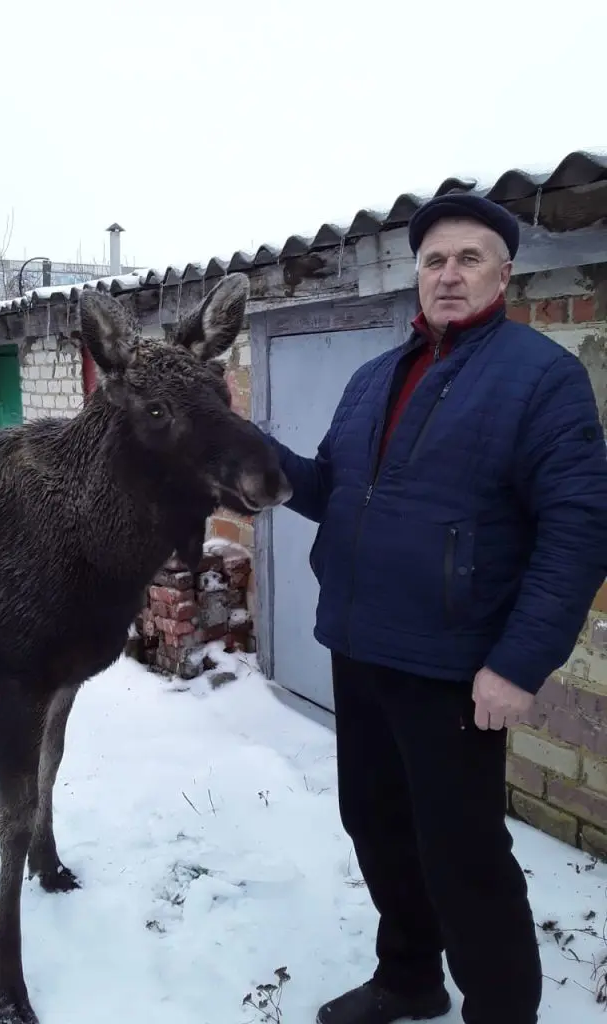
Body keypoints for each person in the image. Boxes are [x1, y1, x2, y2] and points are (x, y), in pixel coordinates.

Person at [267, 192, 607, 1024]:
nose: (449, 275)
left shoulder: (541, 378)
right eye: (434, 261)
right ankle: (411, 976)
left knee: (464, 855)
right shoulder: (373, 378)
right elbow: (333, 488)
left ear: (504, 272)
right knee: (375, 826)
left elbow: (579, 531)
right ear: (417, 276)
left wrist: (517, 665)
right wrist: (242, 452)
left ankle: (500, 1011)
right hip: (359, 645)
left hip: (454, 667)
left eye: (469, 259)